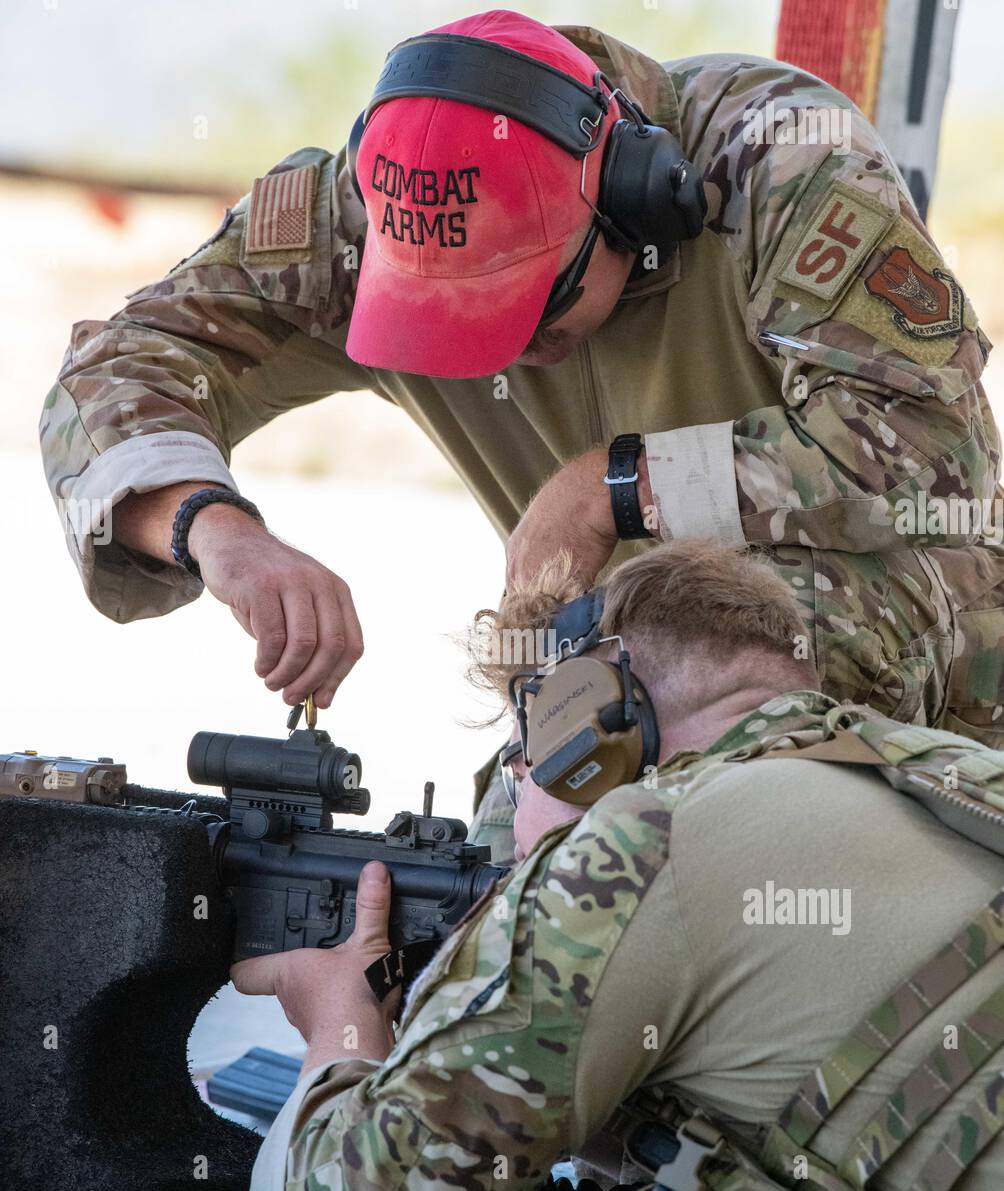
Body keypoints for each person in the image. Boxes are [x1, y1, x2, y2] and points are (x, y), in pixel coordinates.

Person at [38, 10, 1003, 754]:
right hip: (603, 679)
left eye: (524, 309)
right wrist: (217, 531)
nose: (491, 354)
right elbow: (112, 372)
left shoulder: (783, 162)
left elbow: (930, 449)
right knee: (519, 848)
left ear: (634, 203)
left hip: (915, 675)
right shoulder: (361, 210)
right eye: (440, 320)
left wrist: (614, 488)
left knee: (662, 722)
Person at [237, 539, 1004, 1191]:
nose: (518, 793)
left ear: (589, 728)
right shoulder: (950, 772)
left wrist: (342, 1025)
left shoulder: (646, 839)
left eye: (520, 760)